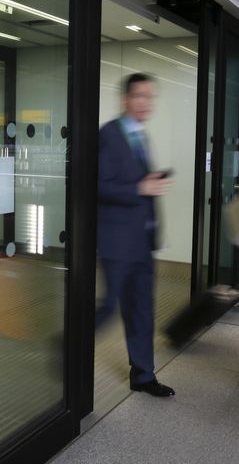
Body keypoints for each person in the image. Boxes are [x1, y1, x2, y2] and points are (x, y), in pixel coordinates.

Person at [96, 73, 175, 397]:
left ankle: (143, 375)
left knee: (142, 309)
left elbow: (135, 182)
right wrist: (140, 187)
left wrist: (149, 180)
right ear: (125, 99)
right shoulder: (110, 135)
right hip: (116, 242)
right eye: (140, 96)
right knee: (109, 308)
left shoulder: (141, 136)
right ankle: (67, 349)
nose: (146, 103)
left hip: (141, 242)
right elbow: (98, 185)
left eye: (150, 97)